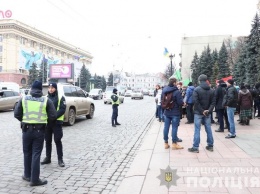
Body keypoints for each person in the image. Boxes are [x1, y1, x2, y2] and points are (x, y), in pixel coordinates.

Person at [14, 80, 56, 186]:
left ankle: (27, 175)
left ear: (31, 89)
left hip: (26, 130)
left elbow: (17, 114)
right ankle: (34, 179)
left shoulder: (24, 99)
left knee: (27, 153)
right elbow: (53, 116)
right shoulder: (45, 100)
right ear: (41, 89)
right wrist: (44, 122)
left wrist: (25, 121)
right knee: (36, 154)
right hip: (39, 130)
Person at [188, 74, 216, 153]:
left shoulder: (197, 89)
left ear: (199, 80)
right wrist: (208, 110)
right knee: (208, 128)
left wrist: (201, 111)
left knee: (197, 129)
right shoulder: (211, 90)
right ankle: (210, 145)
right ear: (206, 80)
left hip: (198, 112)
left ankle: (195, 147)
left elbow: (195, 102)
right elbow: (213, 102)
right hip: (207, 113)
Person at [41, 83, 66, 167]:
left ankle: (60, 159)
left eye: (52, 88)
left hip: (56, 122)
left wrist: (54, 116)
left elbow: (62, 109)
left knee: (57, 140)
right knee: (47, 140)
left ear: (55, 88)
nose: (51, 89)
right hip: (47, 123)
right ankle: (48, 158)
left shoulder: (60, 98)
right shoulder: (45, 98)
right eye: (49, 88)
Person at [161, 76, 184, 150]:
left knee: (166, 127)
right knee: (174, 128)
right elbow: (180, 102)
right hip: (175, 112)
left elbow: (162, 100)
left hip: (166, 112)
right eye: (176, 82)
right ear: (174, 83)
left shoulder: (164, 90)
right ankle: (174, 143)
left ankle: (166, 143)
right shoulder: (176, 91)